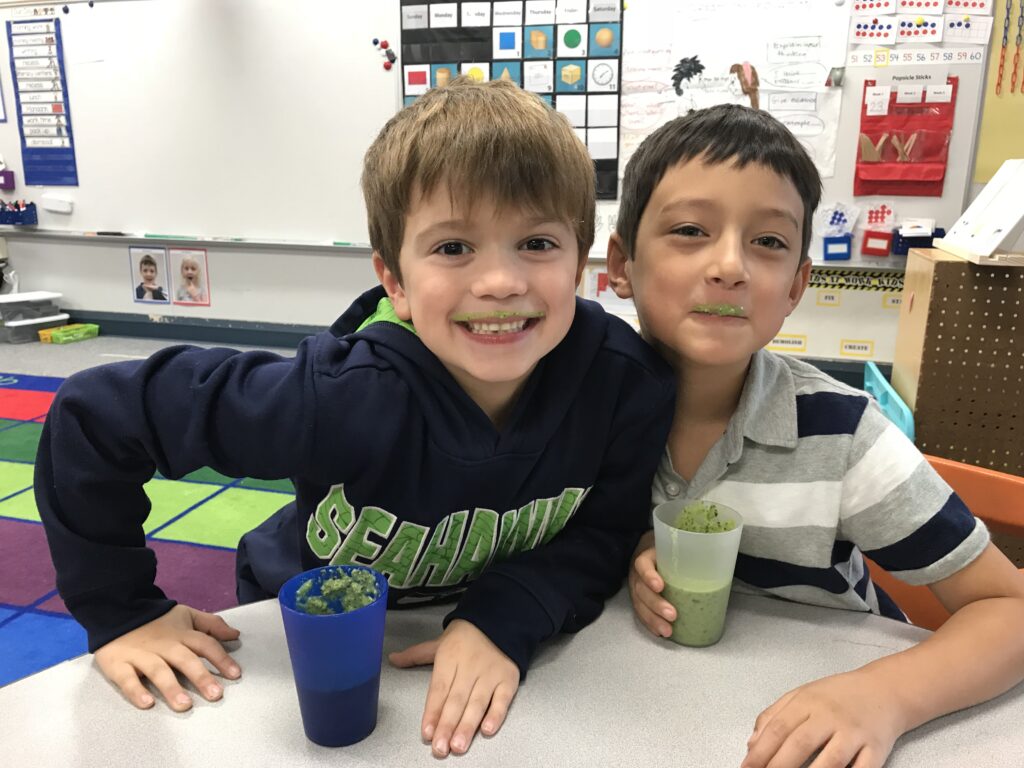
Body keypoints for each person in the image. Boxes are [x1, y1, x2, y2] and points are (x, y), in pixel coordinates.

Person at [35, 78, 674, 758]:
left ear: (580, 262)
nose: (501, 282)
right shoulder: (338, 397)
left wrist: (504, 617)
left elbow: (606, 530)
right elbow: (95, 418)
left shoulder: (623, 383)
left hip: (478, 641)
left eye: (538, 245)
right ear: (394, 279)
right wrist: (123, 612)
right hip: (306, 631)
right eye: (454, 248)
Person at [606, 104, 1024, 768]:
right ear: (621, 265)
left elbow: (1010, 610)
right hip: (640, 714)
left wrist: (883, 697)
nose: (729, 266)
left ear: (798, 283)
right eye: (690, 230)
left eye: (769, 243)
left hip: (815, 708)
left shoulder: (841, 433)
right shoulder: (582, 414)